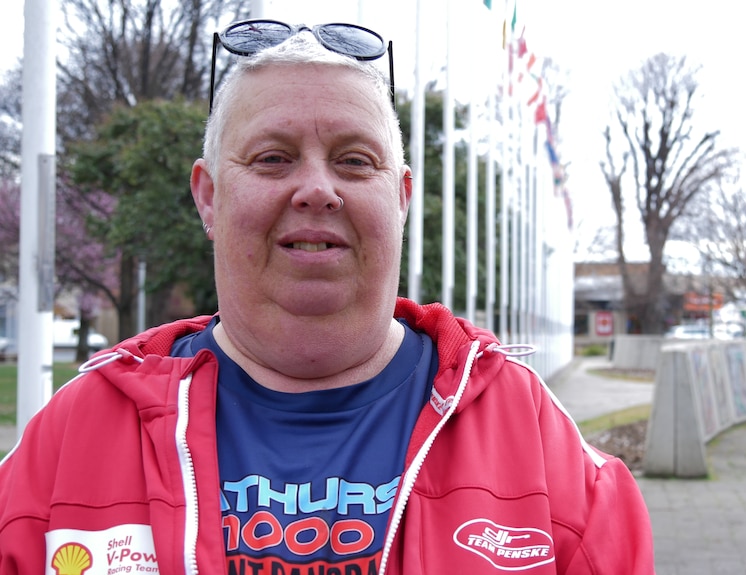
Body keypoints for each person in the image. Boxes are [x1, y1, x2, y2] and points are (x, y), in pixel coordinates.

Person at [0, 20, 654, 574]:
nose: (316, 188)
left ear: (400, 197)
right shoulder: (71, 437)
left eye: (353, 160)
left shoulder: (541, 446)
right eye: (272, 158)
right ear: (208, 195)